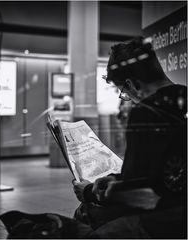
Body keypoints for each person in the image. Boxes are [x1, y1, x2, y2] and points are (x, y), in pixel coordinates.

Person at [72, 36, 187, 229]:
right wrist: (116, 179)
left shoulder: (147, 111)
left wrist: (89, 191)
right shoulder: (183, 96)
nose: (129, 99)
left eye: (124, 93)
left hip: (165, 218)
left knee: (85, 213)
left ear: (131, 84)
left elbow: (134, 193)